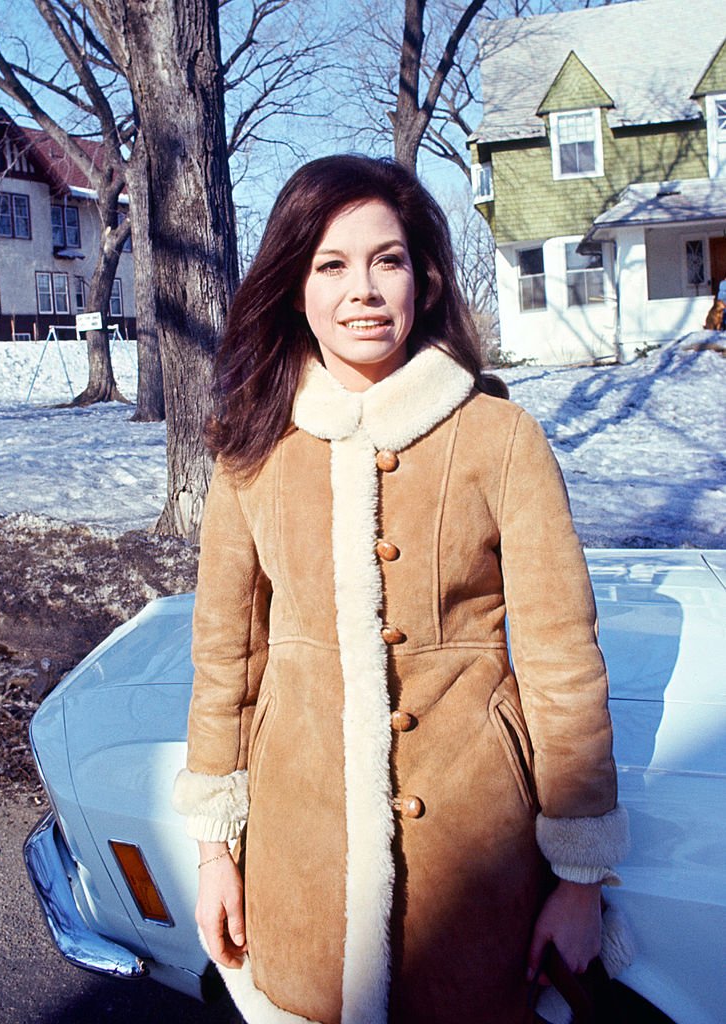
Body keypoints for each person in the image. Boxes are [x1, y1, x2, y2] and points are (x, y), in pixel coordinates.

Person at [173, 155, 631, 1024]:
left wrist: (579, 879)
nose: (363, 291)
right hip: (298, 852)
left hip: (474, 855)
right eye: (331, 265)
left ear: (422, 277)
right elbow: (224, 661)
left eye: (386, 260)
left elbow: (561, 664)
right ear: (293, 286)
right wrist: (214, 852)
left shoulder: (499, 437)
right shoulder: (250, 449)